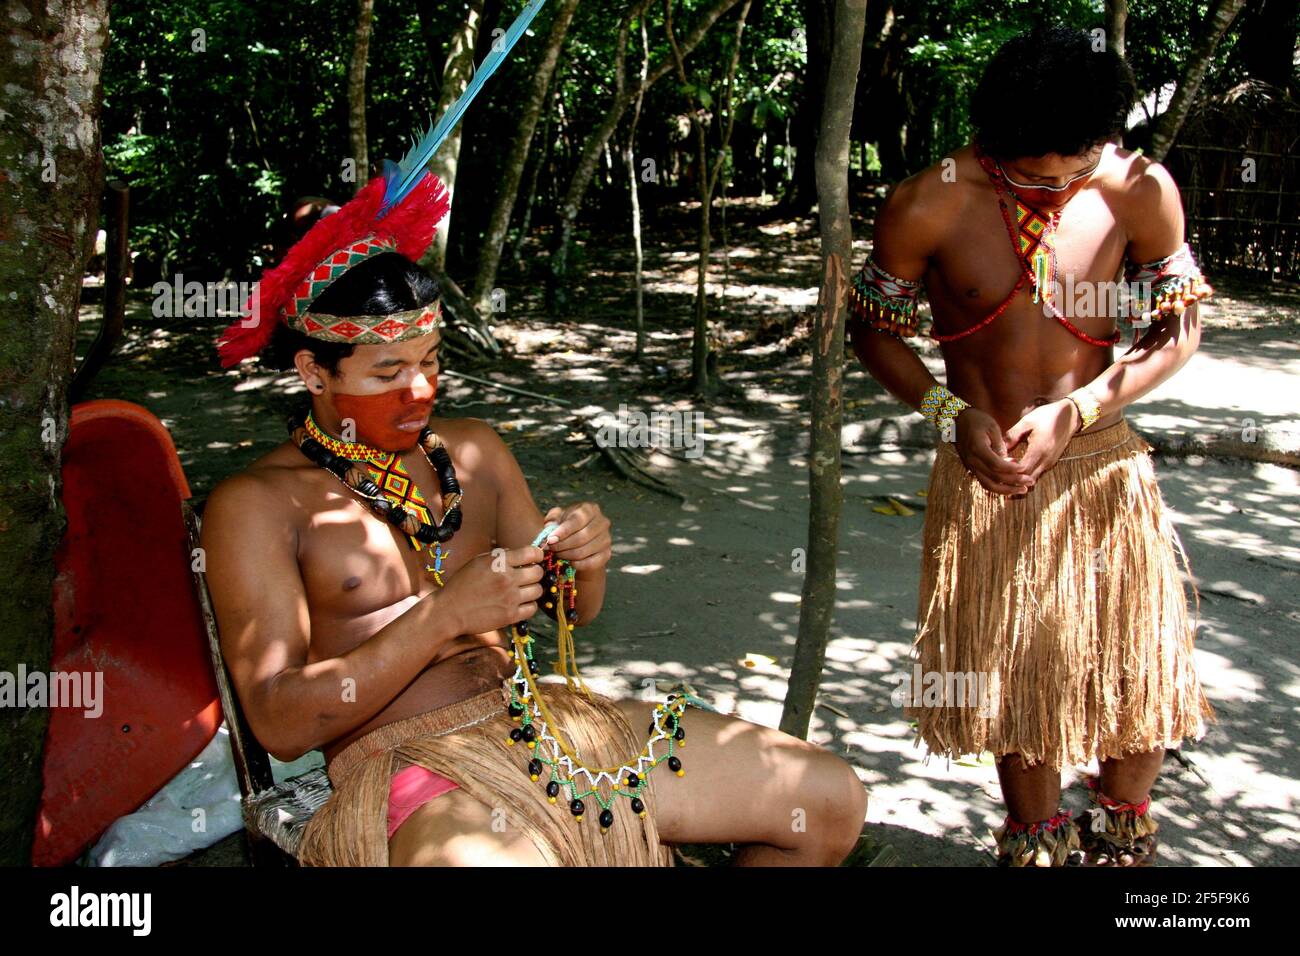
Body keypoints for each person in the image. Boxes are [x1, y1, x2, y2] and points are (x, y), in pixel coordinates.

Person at [201, 166, 866, 867]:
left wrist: (587, 561)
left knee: (827, 799)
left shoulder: (475, 452)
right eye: (388, 373)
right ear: (315, 373)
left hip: (550, 726)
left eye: (431, 361)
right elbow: (278, 720)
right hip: (409, 763)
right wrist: (443, 616)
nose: (420, 390)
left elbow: (573, 612)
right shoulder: (258, 504)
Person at [847, 25, 1214, 866]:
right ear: (993, 143)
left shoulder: (1137, 188)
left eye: (1072, 170)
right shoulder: (926, 200)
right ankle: (1036, 843)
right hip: (991, 476)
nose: (1054, 188)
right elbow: (874, 332)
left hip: (1102, 465)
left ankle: (1124, 831)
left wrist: (1081, 409)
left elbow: (1178, 329)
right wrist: (950, 415)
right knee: (1020, 677)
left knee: (1136, 669)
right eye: (1030, 174)